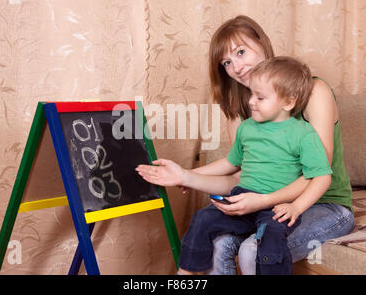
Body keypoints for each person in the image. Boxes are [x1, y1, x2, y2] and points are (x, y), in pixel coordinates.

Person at [136, 56, 333, 274]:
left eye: (261, 97)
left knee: (270, 241)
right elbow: (231, 162)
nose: (251, 102)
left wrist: (296, 207)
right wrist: (186, 174)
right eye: (251, 94)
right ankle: (185, 273)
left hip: (276, 206)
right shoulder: (247, 128)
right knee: (204, 218)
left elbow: (321, 176)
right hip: (243, 198)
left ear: (288, 102)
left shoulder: (303, 134)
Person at [203, 15, 354, 275]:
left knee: (255, 249)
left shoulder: (314, 91)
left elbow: (316, 174)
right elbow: (240, 173)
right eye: (227, 62)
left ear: (263, 43)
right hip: (267, 207)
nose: (236, 67)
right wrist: (186, 176)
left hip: (324, 203)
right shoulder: (241, 109)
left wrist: (262, 200)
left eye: (241, 52)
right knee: (218, 243)